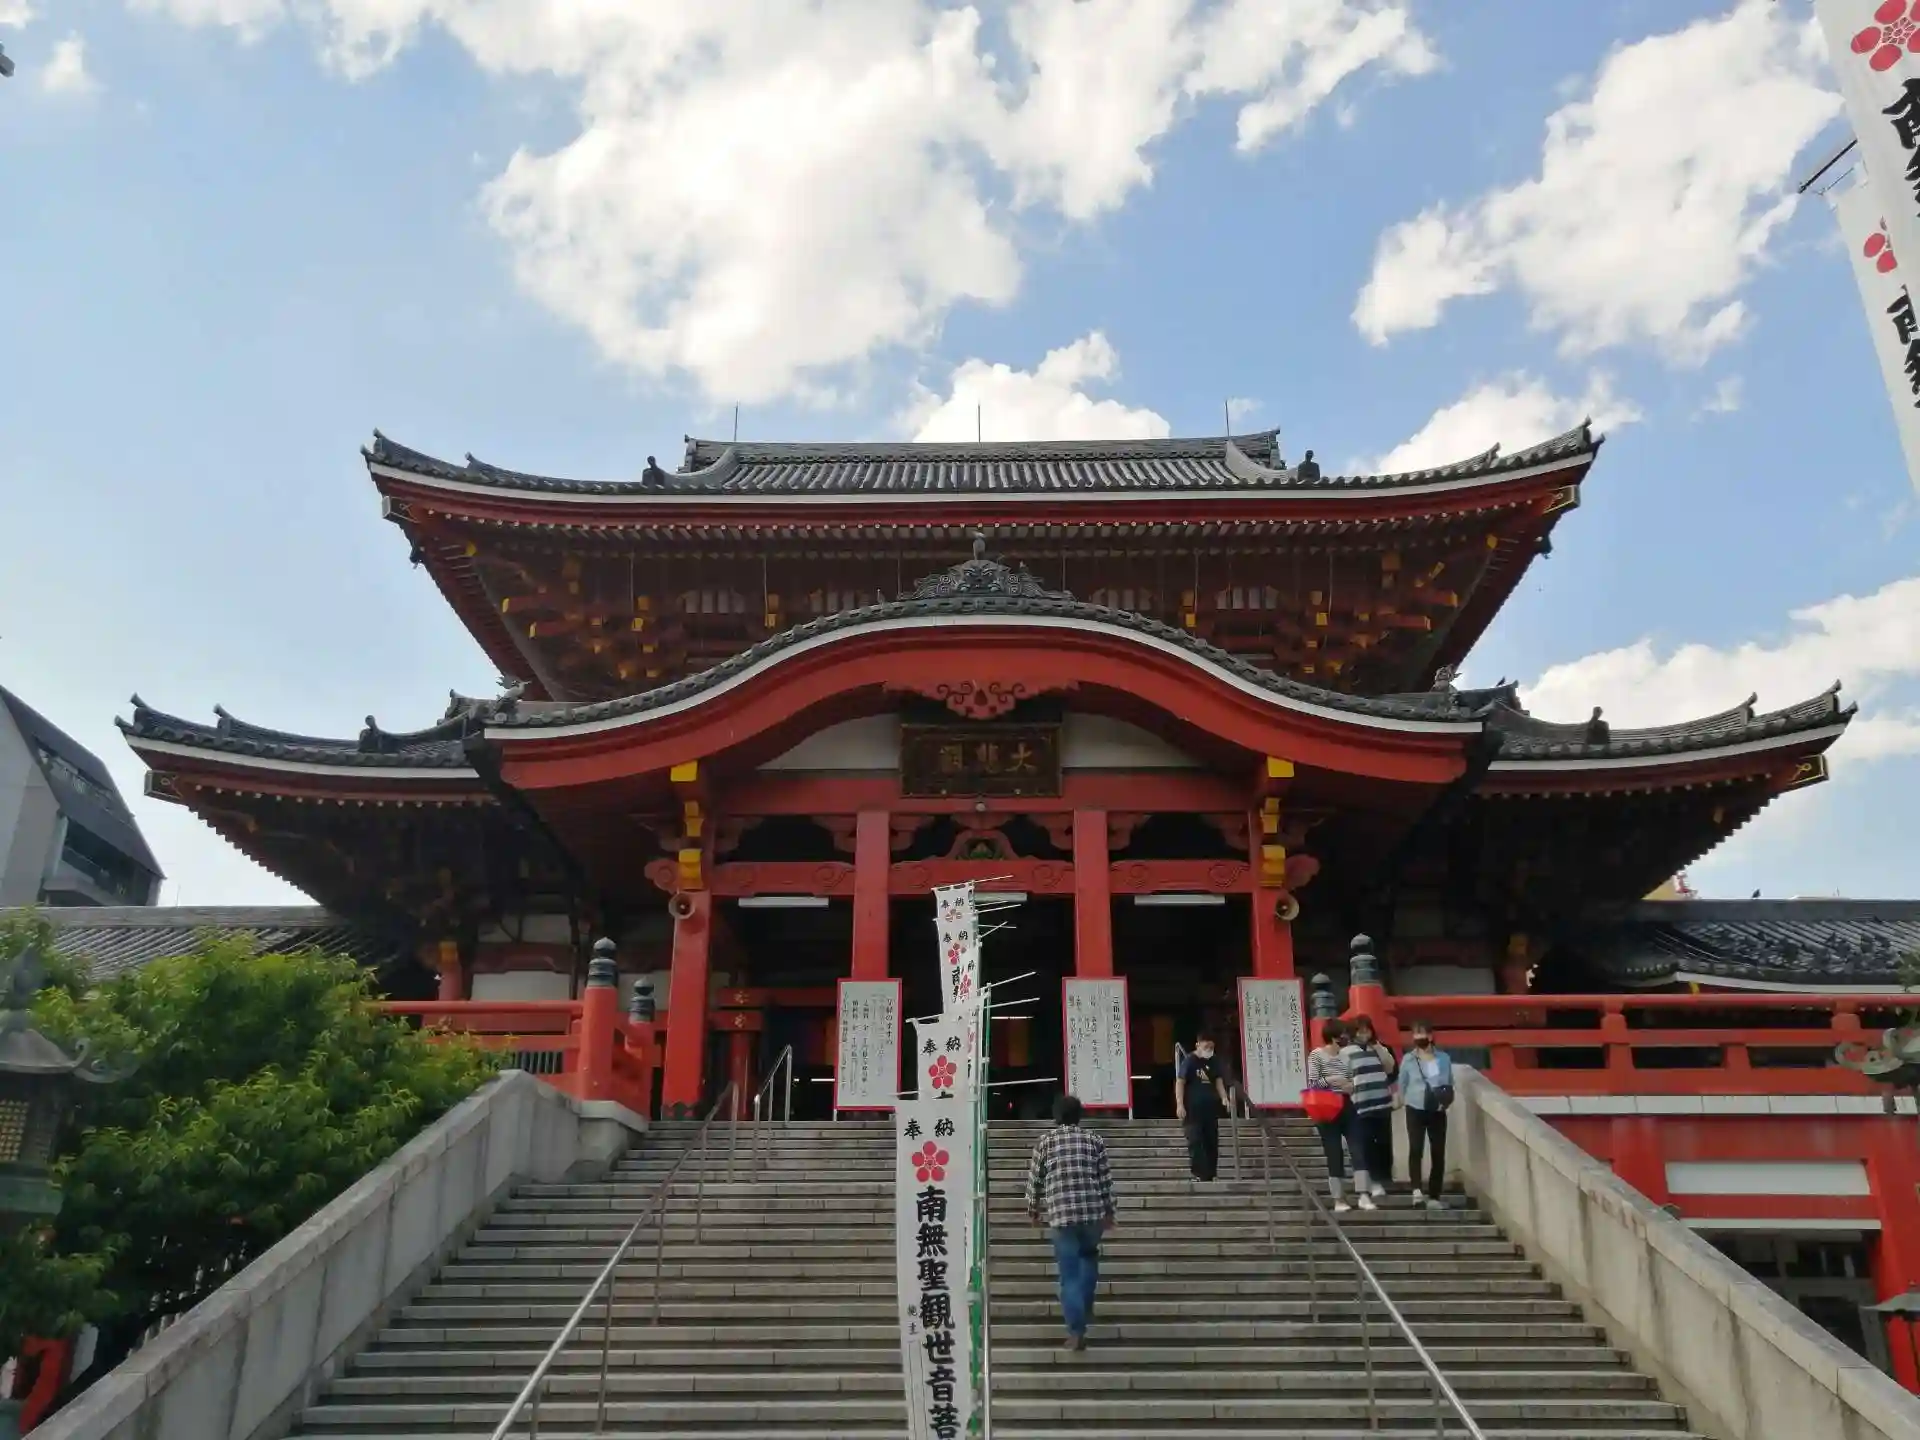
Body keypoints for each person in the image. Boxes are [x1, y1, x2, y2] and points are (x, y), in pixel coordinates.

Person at [1024, 1093, 1117, 1352]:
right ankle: (1085, 1306)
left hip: (1062, 1216)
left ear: (1056, 1116)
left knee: (1069, 1274)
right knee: (1089, 1257)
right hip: (1091, 1215)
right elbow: (1105, 1180)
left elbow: (1035, 1179)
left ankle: (1076, 1331)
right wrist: (1109, 1212)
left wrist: (1033, 1208)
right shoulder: (1094, 1140)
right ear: (1079, 1116)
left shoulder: (1046, 1142)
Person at [1341, 1015, 1397, 1209]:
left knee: (1382, 1144)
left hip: (1382, 1104)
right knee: (1365, 1146)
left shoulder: (1379, 1049)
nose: (1364, 1033)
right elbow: (1343, 1077)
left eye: (1367, 1029)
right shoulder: (1346, 1052)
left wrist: (1379, 1047)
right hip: (1360, 1106)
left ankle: (1380, 1178)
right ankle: (1371, 1184)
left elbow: (1390, 1067)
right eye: (1360, 1030)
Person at [1398, 1021, 1455, 1209]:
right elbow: (1402, 1084)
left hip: (1437, 1109)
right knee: (1416, 1148)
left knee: (1438, 1152)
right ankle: (1416, 1191)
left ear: (1430, 1036)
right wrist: (1401, 1100)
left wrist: (1445, 1098)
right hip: (1415, 1107)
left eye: (1421, 1033)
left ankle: (1434, 1196)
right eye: (1415, 1034)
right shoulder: (1408, 1059)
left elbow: (1447, 1082)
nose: (1418, 1037)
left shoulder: (1443, 1058)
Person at [1304, 1017, 1355, 1211]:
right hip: (1326, 1105)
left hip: (1346, 1103)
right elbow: (1313, 1083)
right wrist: (1332, 1079)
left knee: (1357, 1145)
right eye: (1343, 1034)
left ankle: (1362, 1192)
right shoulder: (1316, 1055)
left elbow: (1350, 1080)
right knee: (1334, 1151)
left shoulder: (1346, 1056)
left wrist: (1350, 1086)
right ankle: (1338, 1198)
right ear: (1334, 1036)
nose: (1345, 1038)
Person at [1175, 1033, 1232, 1182]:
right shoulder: (1189, 1061)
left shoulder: (1214, 1061)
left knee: (1211, 1141)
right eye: (1206, 1047)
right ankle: (1199, 1174)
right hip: (1192, 1110)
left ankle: (1211, 1174)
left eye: (1212, 1047)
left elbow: (1218, 1080)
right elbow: (1180, 1082)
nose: (1209, 1050)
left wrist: (1224, 1097)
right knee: (1195, 1141)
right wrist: (1180, 1104)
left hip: (1210, 1109)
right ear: (1198, 1045)